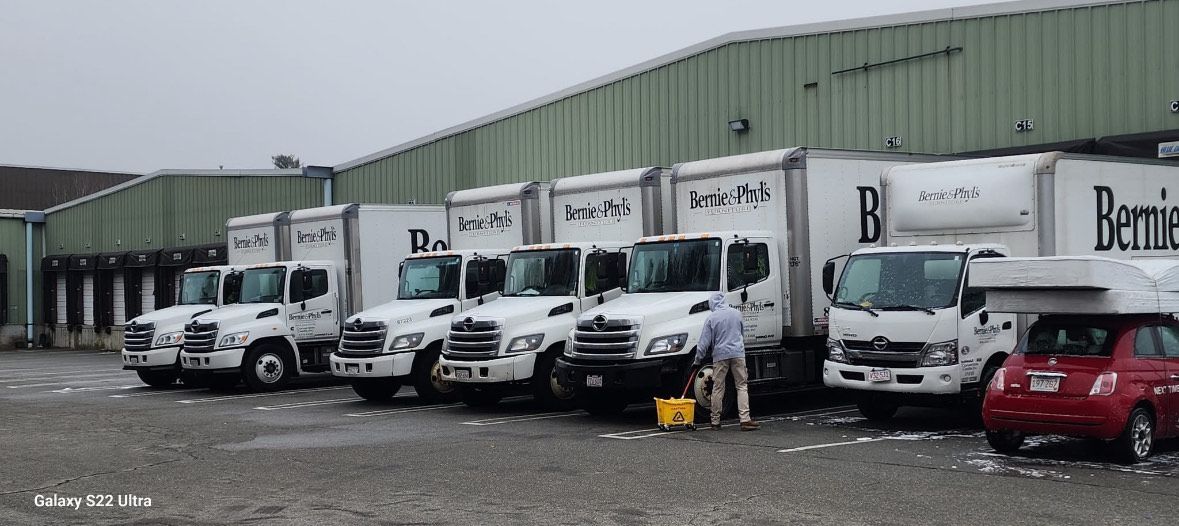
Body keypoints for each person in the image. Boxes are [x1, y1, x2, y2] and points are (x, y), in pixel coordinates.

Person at [694, 292, 759, 431]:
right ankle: (745, 419)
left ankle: (715, 421)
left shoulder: (712, 318)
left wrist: (697, 360)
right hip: (738, 354)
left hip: (720, 355)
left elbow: (703, 343)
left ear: (712, 303)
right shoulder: (736, 314)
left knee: (718, 387)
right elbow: (742, 333)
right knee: (741, 386)